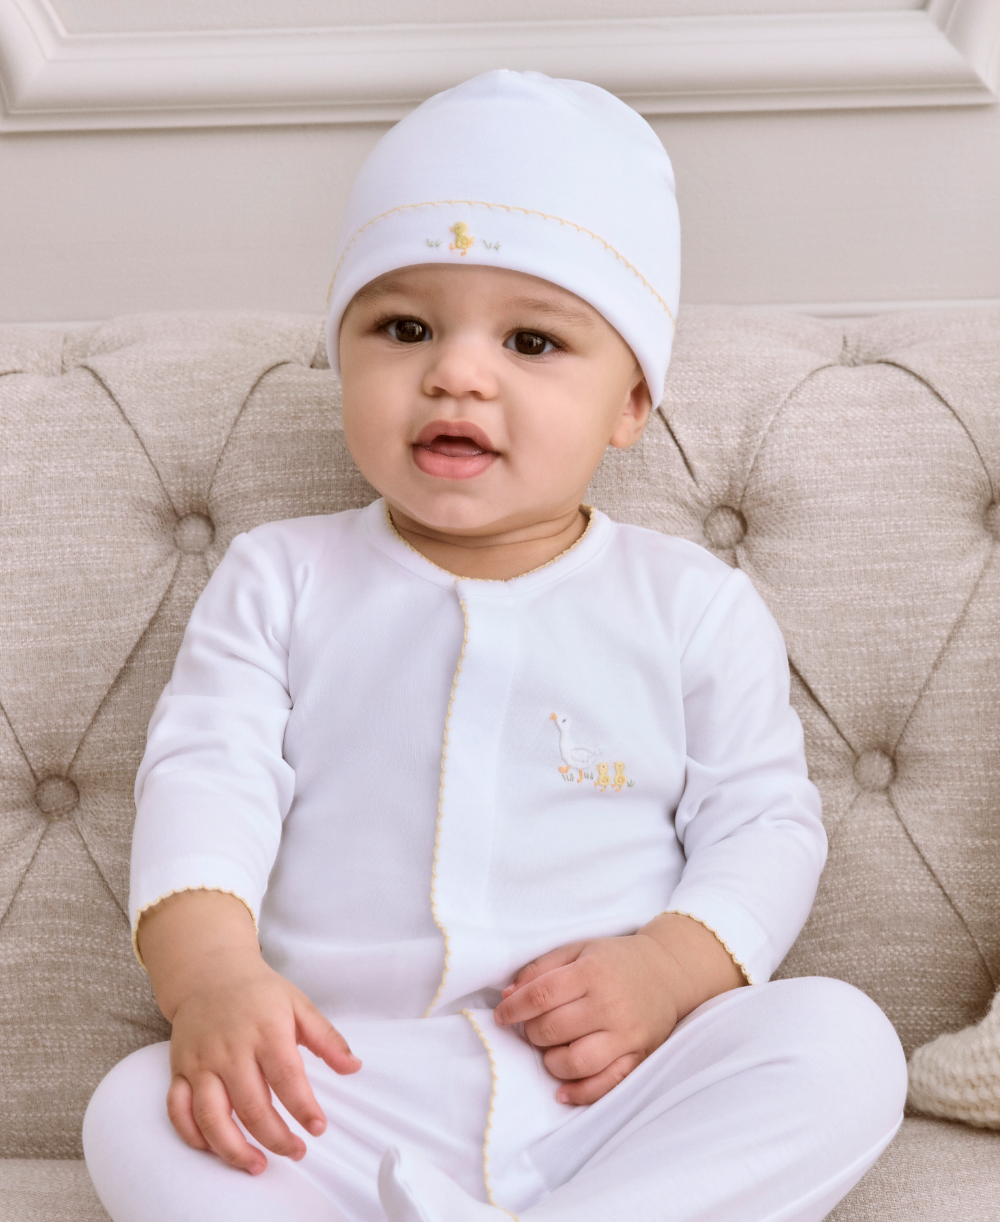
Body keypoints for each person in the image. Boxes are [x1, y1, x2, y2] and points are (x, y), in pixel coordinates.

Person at [83, 70, 907, 1222]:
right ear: (343, 355)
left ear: (630, 403)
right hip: (340, 1083)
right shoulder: (279, 578)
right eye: (404, 327)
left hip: (607, 1092)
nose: (457, 372)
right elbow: (205, 778)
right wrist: (212, 976)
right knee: (133, 1110)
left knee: (841, 1040)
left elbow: (763, 824)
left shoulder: (689, 605)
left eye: (531, 339)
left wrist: (668, 968)